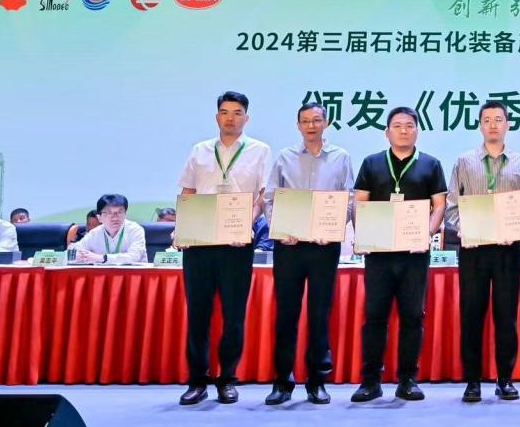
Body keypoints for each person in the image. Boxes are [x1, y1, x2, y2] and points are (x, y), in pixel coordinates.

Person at [175, 91, 272, 406]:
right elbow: (188, 192)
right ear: (217, 116)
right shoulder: (200, 150)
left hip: (236, 244)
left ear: (247, 118)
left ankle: (228, 379)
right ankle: (197, 381)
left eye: (237, 113)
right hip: (200, 243)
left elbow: (263, 196)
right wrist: (183, 228)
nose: (231, 118)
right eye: (225, 112)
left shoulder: (260, 151)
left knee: (233, 315)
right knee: (198, 315)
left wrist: (246, 223)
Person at [351, 106, 447, 404]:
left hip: (414, 254)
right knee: (375, 316)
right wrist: (363, 235)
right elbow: (360, 203)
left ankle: (408, 379)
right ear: (387, 132)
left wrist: (426, 234)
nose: (403, 130)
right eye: (397, 125)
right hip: (379, 254)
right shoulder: (371, 163)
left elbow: (439, 206)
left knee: (412, 316)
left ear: (417, 130)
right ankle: (370, 381)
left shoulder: (431, 164)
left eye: (409, 125)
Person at [263, 102, 355, 406]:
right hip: (289, 247)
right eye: (305, 121)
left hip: (324, 247)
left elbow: (349, 200)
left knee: (319, 314)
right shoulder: (284, 157)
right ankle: (282, 381)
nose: (311, 126)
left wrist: (333, 227)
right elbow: (270, 199)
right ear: (298, 125)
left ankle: (317, 382)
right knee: (286, 315)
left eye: (316, 120)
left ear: (326, 123)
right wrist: (279, 229)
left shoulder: (341, 157)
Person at [446, 100, 520, 404]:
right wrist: (467, 231)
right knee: (472, 315)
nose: (493, 125)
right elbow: (452, 207)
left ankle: (505, 378)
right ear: (480, 125)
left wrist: (519, 230)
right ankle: (472, 381)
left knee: (506, 316)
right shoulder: (464, 161)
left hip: (508, 250)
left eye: (498, 119)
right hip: (474, 249)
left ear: (508, 124)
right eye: (487, 120)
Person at [71, 194, 147, 264]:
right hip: (102, 274)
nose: (115, 217)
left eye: (120, 212)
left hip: (134, 274)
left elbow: (134, 257)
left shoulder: (135, 230)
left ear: (125, 214)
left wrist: (102, 258)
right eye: (109, 213)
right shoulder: (94, 234)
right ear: (99, 218)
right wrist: (80, 256)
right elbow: (74, 250)